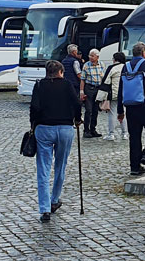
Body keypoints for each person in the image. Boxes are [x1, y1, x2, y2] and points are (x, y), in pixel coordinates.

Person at [30, 60, 82, 222]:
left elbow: (34, 108)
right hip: (65, 128)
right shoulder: (67, 85)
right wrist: (78, 119)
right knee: (61, 165)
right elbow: (77, 103)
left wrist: (33, 125)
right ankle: (54, 199)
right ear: (60, 72)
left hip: (44, 128)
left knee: (43, 169)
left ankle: (45, 208)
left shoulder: (39, 86)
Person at [117, 42, 145, 175]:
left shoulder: (126, 66)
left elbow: (121, 89)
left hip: (130, 106)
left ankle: (134, 167)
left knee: (134, 136)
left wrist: (120, 110)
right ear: (144, 52)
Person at [101, 51, 127, 141]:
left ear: (115, 59)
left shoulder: (111, 68)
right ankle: (125, 133)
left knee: (112, 114)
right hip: (125, 93)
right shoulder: (126, 67)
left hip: (114, 93)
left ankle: (111, 134)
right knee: (123, 113)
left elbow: (106, 80)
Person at [79, 49, 105, 138]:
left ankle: (93, 129)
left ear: (97, 57)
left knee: (95, 110)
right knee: (88, 110)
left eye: (92, 56)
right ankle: (86, 130)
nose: (90, 57)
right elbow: (82, 79)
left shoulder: (102, 65)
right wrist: (81, 91)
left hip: (98, 89)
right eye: (90, 55)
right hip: (89, 88)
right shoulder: (86, 65)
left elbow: (104, 78)